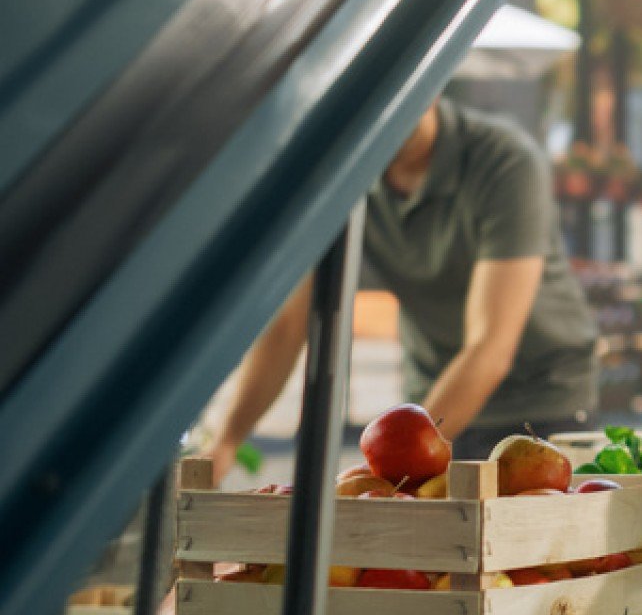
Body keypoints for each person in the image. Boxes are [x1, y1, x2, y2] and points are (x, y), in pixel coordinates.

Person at [206, 97, 600, 477]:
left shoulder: (505, 161)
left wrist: (396, 468)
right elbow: (289, 325)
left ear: (428, 92)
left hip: (540, 402)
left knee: (521, 542)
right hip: (433, 402)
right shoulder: (351, 176)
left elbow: (491, 349)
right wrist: (227, 440)